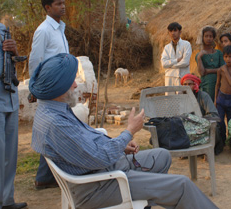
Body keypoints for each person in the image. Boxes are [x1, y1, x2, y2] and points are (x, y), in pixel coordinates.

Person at [30, 53, 218, 209]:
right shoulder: (56, 124)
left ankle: (148, 196)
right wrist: (129, 132)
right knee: (182, 185)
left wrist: (119, 145)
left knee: (162, 156)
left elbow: (86, 144)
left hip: (100, 171)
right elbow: (99, 156)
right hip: (98, 185)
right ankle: (155, 192)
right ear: (58, 87)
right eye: (71, 81)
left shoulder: (53, 110)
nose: (75, 85)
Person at [0, 0, 27, 209]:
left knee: (9, 154)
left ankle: (7, 199)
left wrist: (14, 51)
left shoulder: (2, 28)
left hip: (10, 97)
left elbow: (11, 61)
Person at [29, 0, 69, 190]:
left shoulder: (59, 29)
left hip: (61, 89)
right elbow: (35, 60)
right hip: (50, 89)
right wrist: (35, 88)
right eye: (58, 4)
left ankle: (47, 176)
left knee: (56, 131)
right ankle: (44, 177)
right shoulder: (43, 30)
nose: (63, 6)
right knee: (52, 131)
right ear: (47, 7)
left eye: (63, 3)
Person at [195, 26, 224, 101]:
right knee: (207, 104)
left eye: (211, 36)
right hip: (206, 84)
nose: (208, 38)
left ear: (213, 38)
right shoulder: (199, 55)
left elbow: (223, 69)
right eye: (206, 36)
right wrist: (199, 58)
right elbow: (201, 72)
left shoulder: (218, 53)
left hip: (220, 82)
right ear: (202, 38)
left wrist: (207, 71)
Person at [161, 22, 192, 86]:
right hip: (169, 77)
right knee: (169, 96)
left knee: (182, 95)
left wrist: (170, 66)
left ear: (180, 32)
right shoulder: (167, 47)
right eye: (170, 31)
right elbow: (164, 64)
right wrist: (176, 60)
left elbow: (185, 62)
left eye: (175, 30)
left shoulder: (186, 44)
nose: (173, 33)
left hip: (183, 77)